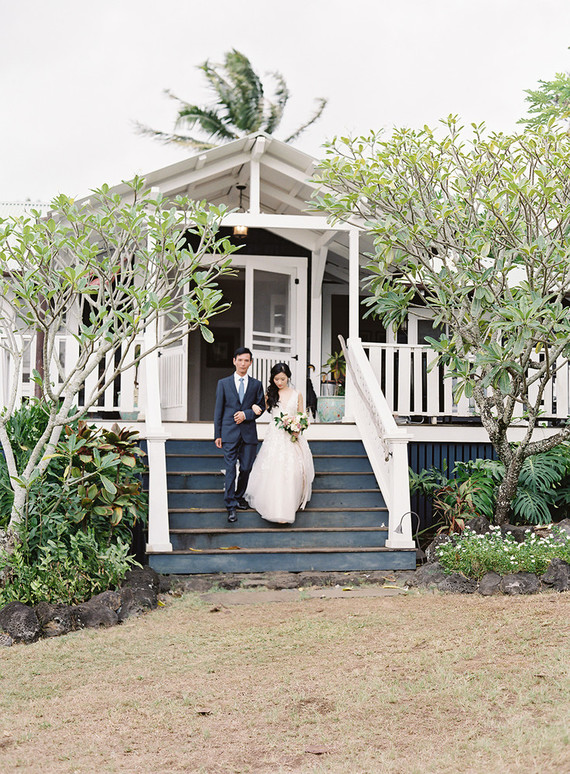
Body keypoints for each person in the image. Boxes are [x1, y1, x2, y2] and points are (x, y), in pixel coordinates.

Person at [245, 362, 314, 524]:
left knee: (291, 471)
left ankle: (286, 508)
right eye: (276, 379)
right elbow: (260, 408)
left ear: (288, 377)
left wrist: (297, 428)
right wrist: (254, 407)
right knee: (273, 470)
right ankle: (274, 508)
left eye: (282, 379)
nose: (279, 382)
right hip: (275, 436)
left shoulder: (297, 394)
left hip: (291, 437)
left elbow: (302, 416)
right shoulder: (271, 394)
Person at [214, 347, 265, 522]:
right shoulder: (223, 383)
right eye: (240, 360)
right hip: (229, 433)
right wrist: (217, 434)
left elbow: (261, 408)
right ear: (234, 361)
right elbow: (218, 410)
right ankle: (230, 505)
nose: (243, 363)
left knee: (245, 468)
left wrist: (246, 414)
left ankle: (239, 496)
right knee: (230, 470)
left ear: (250, 363)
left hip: (249, 433)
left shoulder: (256, 384)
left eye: (246, 360)